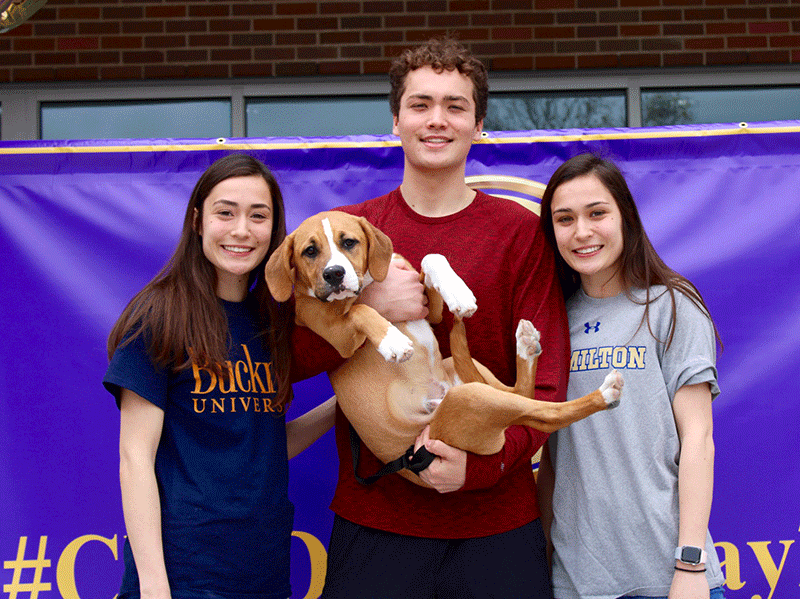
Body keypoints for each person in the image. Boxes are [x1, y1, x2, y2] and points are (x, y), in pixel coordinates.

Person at [320, 37, 570, 598]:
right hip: (376, 525)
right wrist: (372, 308)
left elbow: (547, 381)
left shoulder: (520, 233)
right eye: (421, 104)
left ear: (478, 124)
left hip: (497, 530)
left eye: (455, 106)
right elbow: (290, 355)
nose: (437, 120)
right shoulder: (348, 232)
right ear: (396, 120)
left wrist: (479, 470)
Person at [104, 153, 338, 599]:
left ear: (275, 230)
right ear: (197, 221)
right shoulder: (159, 316)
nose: (241, 230)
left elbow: (262, 446)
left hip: (261, 571)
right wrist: (155, 586)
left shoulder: (272, 322)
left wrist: (341, 403)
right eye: (225, 213)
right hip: (183, 573)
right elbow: (135, 459)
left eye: (258, 216)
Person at [536, 153, 725, 599]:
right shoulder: (552, 322)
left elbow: (697, 438)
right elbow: (554, 462)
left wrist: (690, 565)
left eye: (597, 213)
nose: (582, 231)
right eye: (565, 219)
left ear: (626, 217)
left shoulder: (671, 305)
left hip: (669, 576)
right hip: (577, 582)